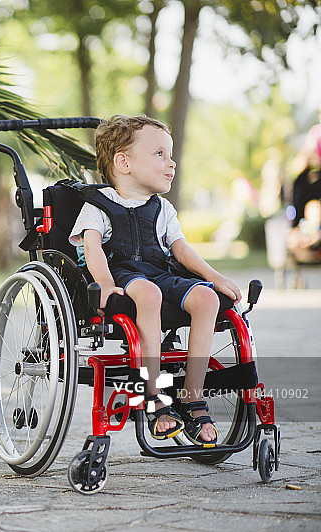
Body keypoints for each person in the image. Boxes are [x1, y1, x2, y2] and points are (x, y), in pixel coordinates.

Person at [69, 115, 242, 446]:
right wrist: (105, 283)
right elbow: (92, 248)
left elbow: (181, 250)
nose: (171, 163)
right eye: (160, 154)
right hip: (121, 274)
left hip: (159, 272)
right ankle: (152, 395)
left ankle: (192, 397)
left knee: (207, 299)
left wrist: (214, 277)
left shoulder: (162, 209)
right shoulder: (97, 206)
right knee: (147, 293)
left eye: (171, 154)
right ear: (123, 162)